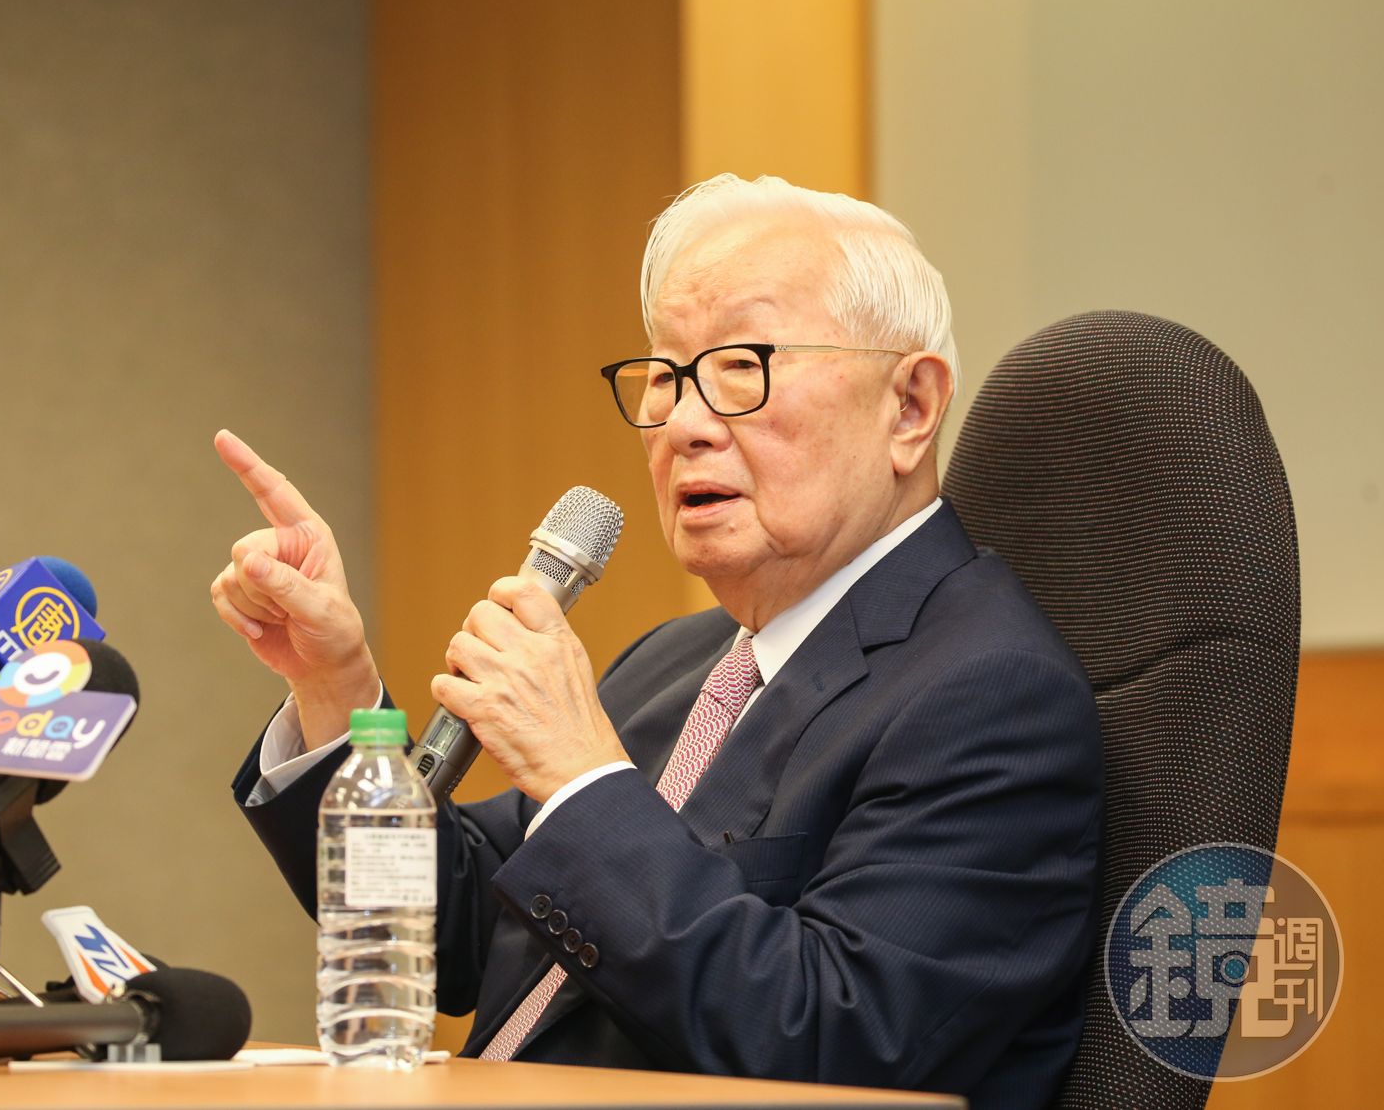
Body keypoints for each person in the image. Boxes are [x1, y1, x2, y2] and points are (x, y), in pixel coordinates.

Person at [214, 174, 1102, 1108]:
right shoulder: (675, 662)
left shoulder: (993, 694)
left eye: (741, 367)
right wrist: (337, 687)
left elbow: (839, 1044)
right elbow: (465, 931)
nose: (682, 425)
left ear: (911, 406)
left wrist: (581, 778)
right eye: (667, 379)